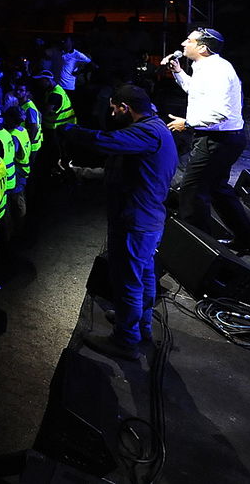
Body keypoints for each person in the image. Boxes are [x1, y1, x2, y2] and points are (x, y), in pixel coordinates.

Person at [60, 84, 177, 360]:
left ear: (125, 107)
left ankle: (125, 340)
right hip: (146, 220)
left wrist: (69, 130)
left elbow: (105, 141)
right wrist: (83, 172)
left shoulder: (146, 133)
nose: (112, 114)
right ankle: (139, 325)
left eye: (114, 109)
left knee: (127, 282)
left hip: (135, 222)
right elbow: (122, 172)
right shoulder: (155, 128)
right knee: (143, 276)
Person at [164, 28, 250, 255]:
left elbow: (221, 113)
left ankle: (200, 253)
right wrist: (178, 72)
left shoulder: (217, 71)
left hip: (218, 140)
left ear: (202, 47)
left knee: (192, 192)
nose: (183, 43)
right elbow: (196, 91)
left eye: (189, 40)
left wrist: (187, 123)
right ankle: (249, 241)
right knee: (217, 189)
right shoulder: (207, 67)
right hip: (222, 139)